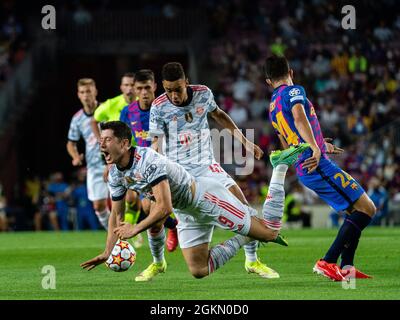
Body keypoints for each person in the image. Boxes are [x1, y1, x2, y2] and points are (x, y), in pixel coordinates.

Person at [80, 121, 309, 278]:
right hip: (187, 212)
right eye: (101, 139)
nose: (101, 144)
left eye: (107, 139)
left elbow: (164, 207)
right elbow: (116, 216)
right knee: (199, 269)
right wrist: (107, 250)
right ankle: (244, 237)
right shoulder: (116, 173)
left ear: (124, 143)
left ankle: (279, 166)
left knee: (270, 233)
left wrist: (135, 229)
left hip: (204, 197)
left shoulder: (147, 160)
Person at [148, 62, 279, 281]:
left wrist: (244, 141)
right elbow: (156, 143)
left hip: (207, 166)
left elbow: (219, 115)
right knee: (198, 269)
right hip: (181, 175)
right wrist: (156, 176)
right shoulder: (158, 106)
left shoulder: (203, 93)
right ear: (163, 86)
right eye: (168, 90)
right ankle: (159, 259)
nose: (174, 96)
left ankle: (252, 261)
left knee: (246, 209)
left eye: (177, 89)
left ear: (186, 82)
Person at [264, 55, 376, 281]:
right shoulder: (294, 91)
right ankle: (327, 261)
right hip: (316, 163)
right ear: (291, 72)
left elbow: (288, 142)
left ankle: (347, 267)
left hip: (307, 163)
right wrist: (316, 148)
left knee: (354, 213)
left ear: (268, 81)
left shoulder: (272, 106)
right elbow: (298, 117)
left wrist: (320, 144)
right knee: (367, 209)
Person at [120, 69, 179, 253]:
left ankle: (174, 229)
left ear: (154, 86)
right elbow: (123, 141)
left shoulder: (166, 108)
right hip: (143, 166)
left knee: (154, 207)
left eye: (147, 87)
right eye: (140, 88)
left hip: (168, 163)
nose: (144, 92)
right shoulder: (128, 112)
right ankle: (174, 225)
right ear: (135, 90)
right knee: (147, 207)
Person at [66, 78, 110, 230]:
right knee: (99, 206)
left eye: (89, 91)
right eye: (83, 92)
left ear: (95, 92)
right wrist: (75, 157)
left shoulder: (106, 109)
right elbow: (71, 143)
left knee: (125, 200)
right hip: (94, 166)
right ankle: (117, 236)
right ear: (78, 94)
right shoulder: (77, 119)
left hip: (114, 163)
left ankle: (128, 230)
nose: (86, 95)